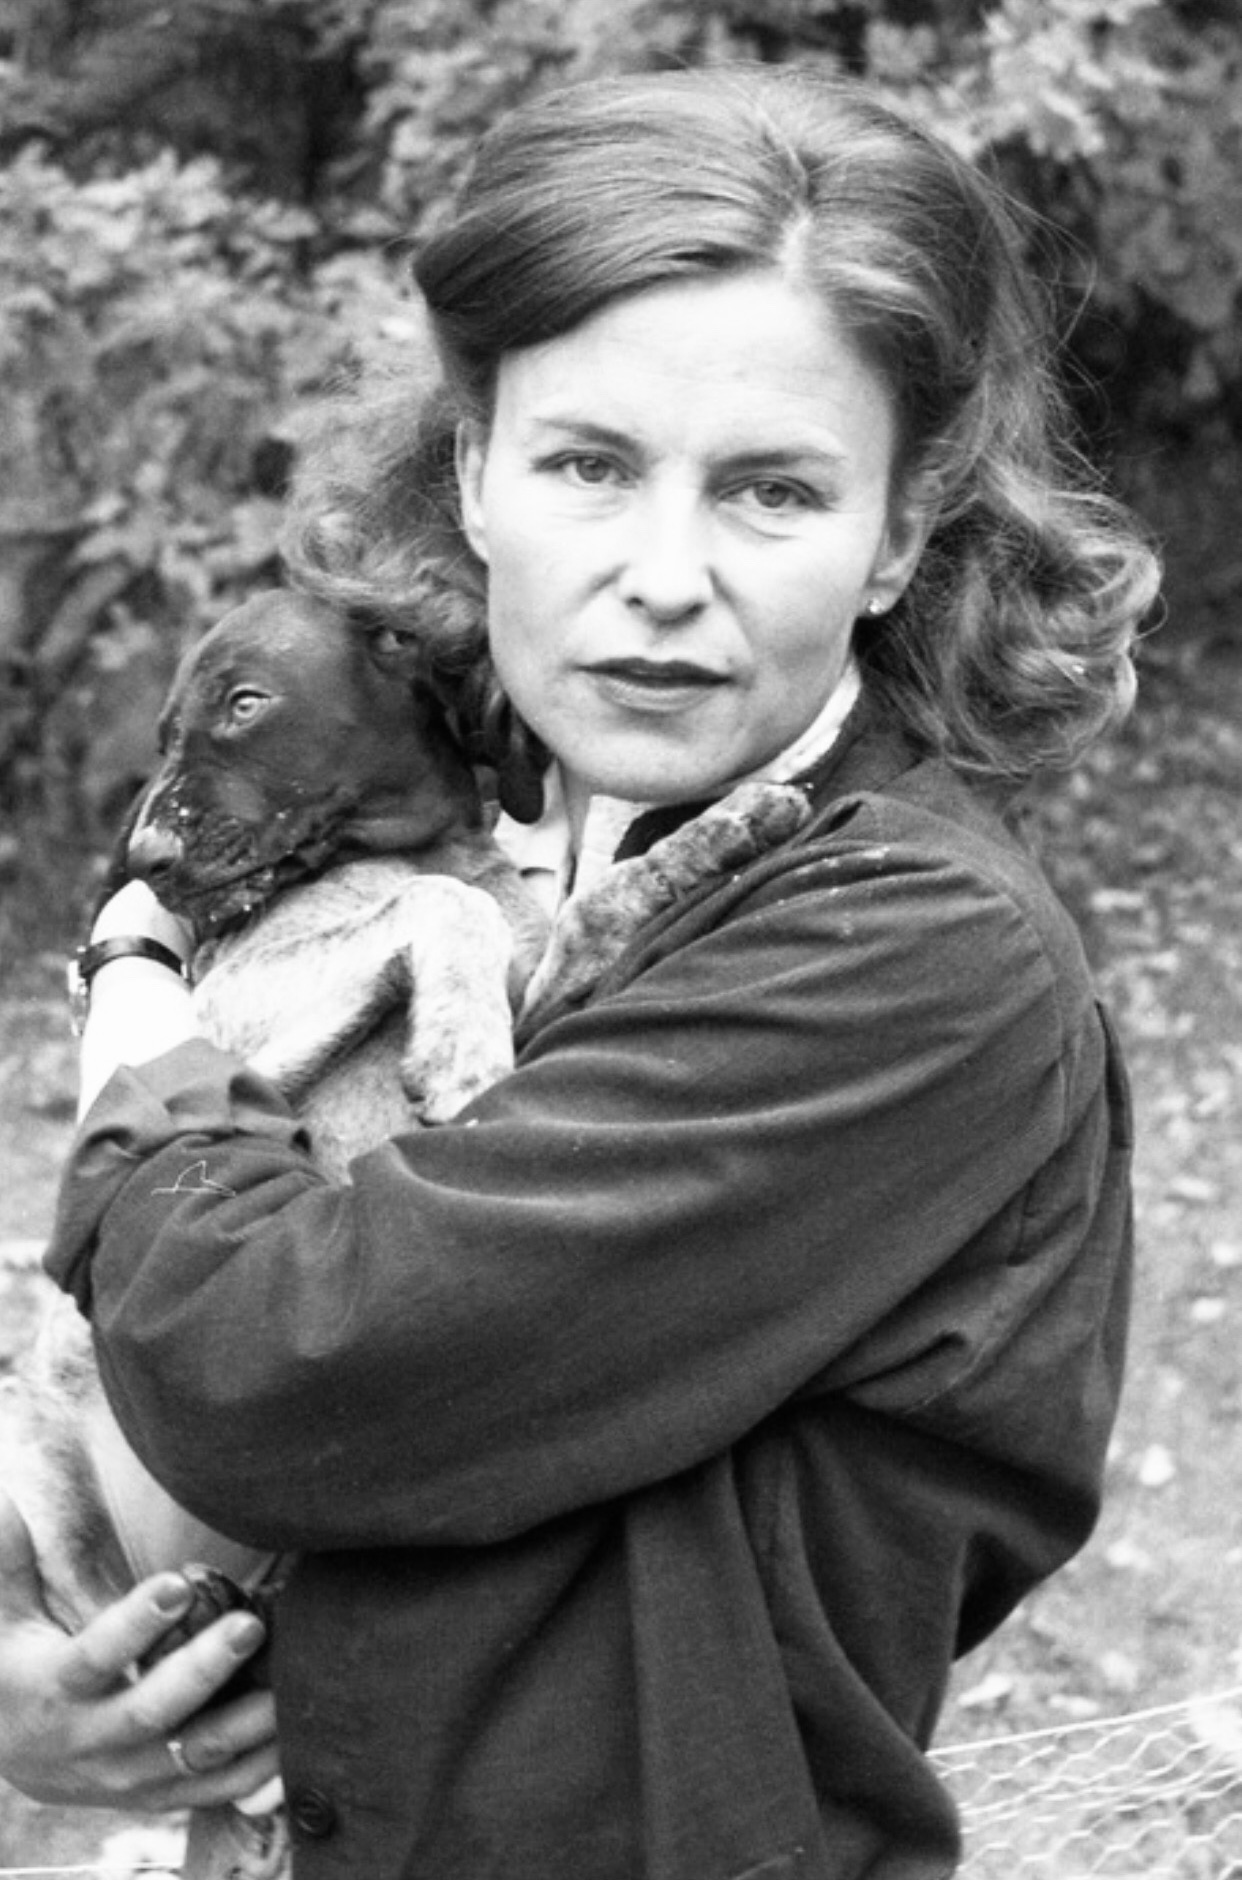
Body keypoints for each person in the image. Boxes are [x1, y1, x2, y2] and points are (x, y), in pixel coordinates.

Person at [2, 64, 1159, 1879]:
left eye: (771, 490)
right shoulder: (467, 839)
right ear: (474, 473)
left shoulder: (919, 955)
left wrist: (137, 1010)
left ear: (900, 534)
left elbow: (270, 1368)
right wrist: (22, 1649)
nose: (660, 576)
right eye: (588, 465)